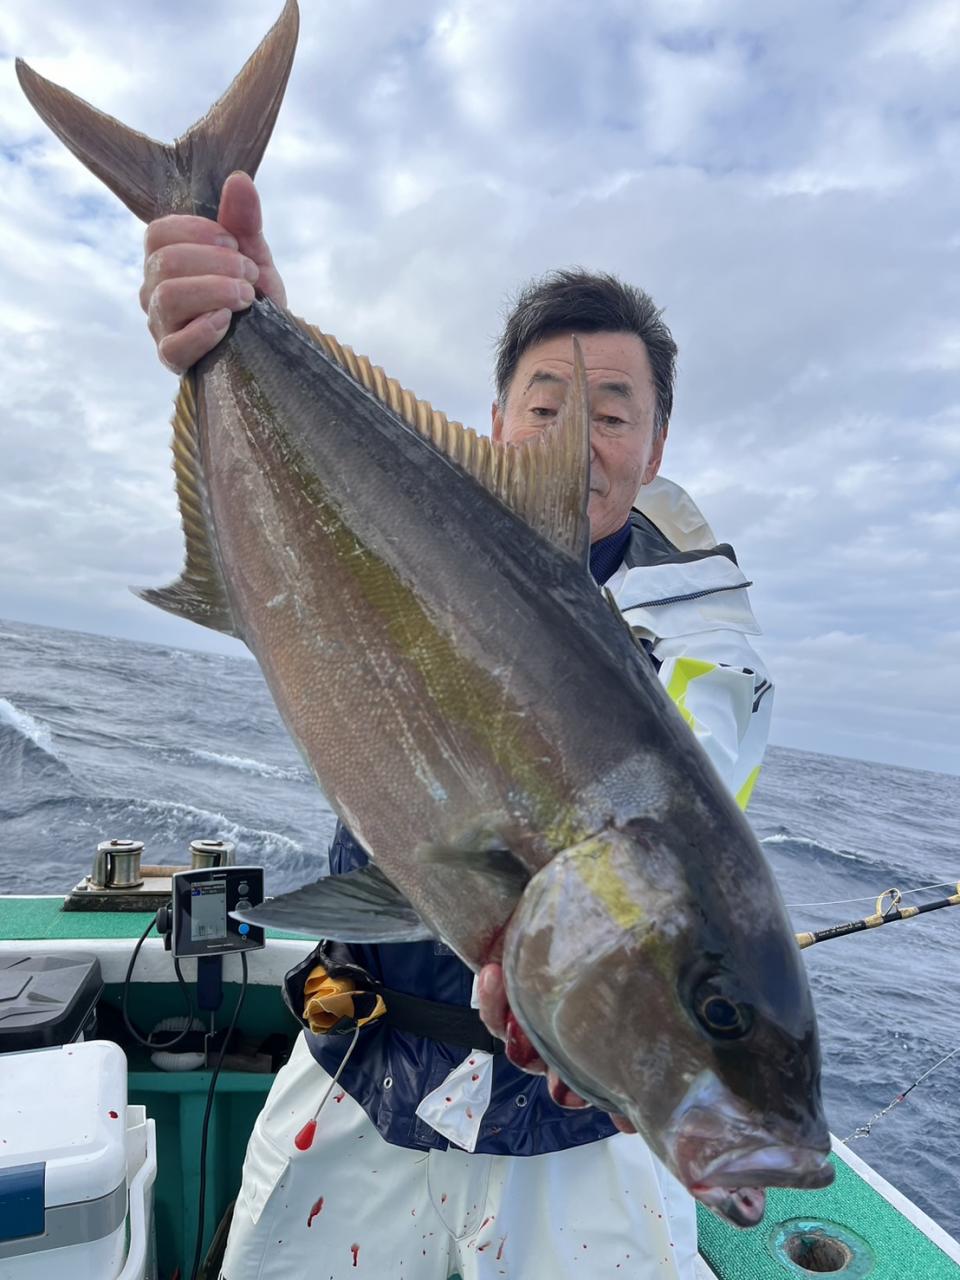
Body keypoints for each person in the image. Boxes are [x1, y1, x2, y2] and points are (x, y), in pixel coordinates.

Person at [140, 171, 773, 1280]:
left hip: (578, 1132)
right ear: (496, 425)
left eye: (612, 415)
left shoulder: (709, 644)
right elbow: (306, 518)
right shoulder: (415, 543)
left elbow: (672, 816)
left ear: (657, 446)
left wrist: (557, 958)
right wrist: (249, 325)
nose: (578, 441)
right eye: (546, 408)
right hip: (362, 1054)